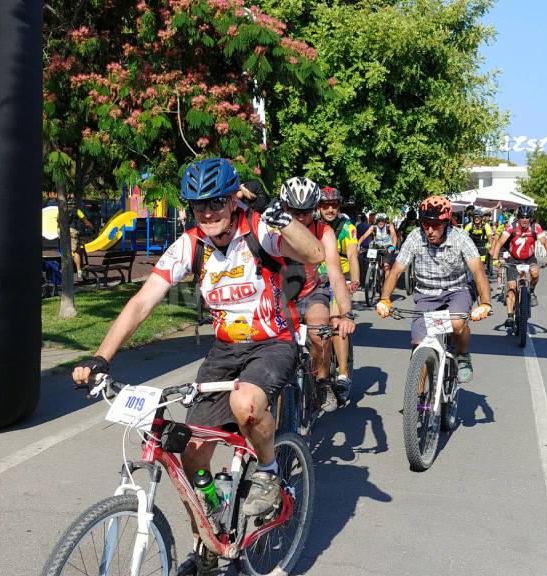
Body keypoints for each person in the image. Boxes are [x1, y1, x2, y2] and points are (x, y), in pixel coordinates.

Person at [71, 158, 324, 526]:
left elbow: (314, 253)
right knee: (190, 450)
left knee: (246, 403)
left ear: (233, 199)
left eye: (216, 202)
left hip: (272, 342)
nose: (207, 213)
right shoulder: (191, 245)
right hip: (225, 349)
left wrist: (276, 214)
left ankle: (268, 471)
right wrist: (101, 358)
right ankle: (213, 523)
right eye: (198, 205)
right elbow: (142, 301)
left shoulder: (259, 228)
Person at [374, 196, 492, 383]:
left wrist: (485, 303)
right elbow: (396, 271)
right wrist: (385, 299)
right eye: (425, 224)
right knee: (418, 347)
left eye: (435, 225)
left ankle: (463, 356)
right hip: (426, 295)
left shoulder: (461, 238)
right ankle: (417, 402)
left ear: (446, 222)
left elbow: (478, 271)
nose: (429, 230)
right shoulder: (415, 237)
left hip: (456, 290)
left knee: (456, 324)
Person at [279, 177, 357, 411]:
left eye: (307, 210)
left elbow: (335, 274)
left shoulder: (324, 231)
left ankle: (322, 382)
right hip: (280, 295)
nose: (301, 216)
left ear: (315, 209)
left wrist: (347, 314)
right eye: (294, 210)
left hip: (313, 291)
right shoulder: (273, 228)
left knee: (320, 331)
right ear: (284, 207)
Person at [317, 186, 360, 401]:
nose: (330, 209)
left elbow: (352, 256)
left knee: (337, 322)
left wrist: (354, 280)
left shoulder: (347, 227)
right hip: (313, 282)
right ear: (318, 207)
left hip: (338, 281)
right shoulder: (311, 225)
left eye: (334, 205)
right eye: (325, 206)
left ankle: (343, 373)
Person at [491, 205, 547, 326]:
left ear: (531, 218)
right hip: (513, 259)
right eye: (522, 217)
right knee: (511, 286)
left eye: (527, 217)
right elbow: (500, 242)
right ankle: (510, 316)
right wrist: (495, 258)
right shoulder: (511, 227)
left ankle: (531, 291)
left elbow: (545, 243)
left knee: (535, 273)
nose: (525, 220)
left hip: (529, 258)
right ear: (518, 217)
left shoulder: (535, 227)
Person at [463, 209, 494, 275]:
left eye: (478, 217)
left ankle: (482, 275)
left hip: (483, 247)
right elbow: (463, 237)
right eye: (475, 217)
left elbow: (490, 238)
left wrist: (491, 249)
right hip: (472, 247)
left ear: (481, 218)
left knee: (480, 266)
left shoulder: (486, 226)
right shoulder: (469, 225)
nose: (476, 219)